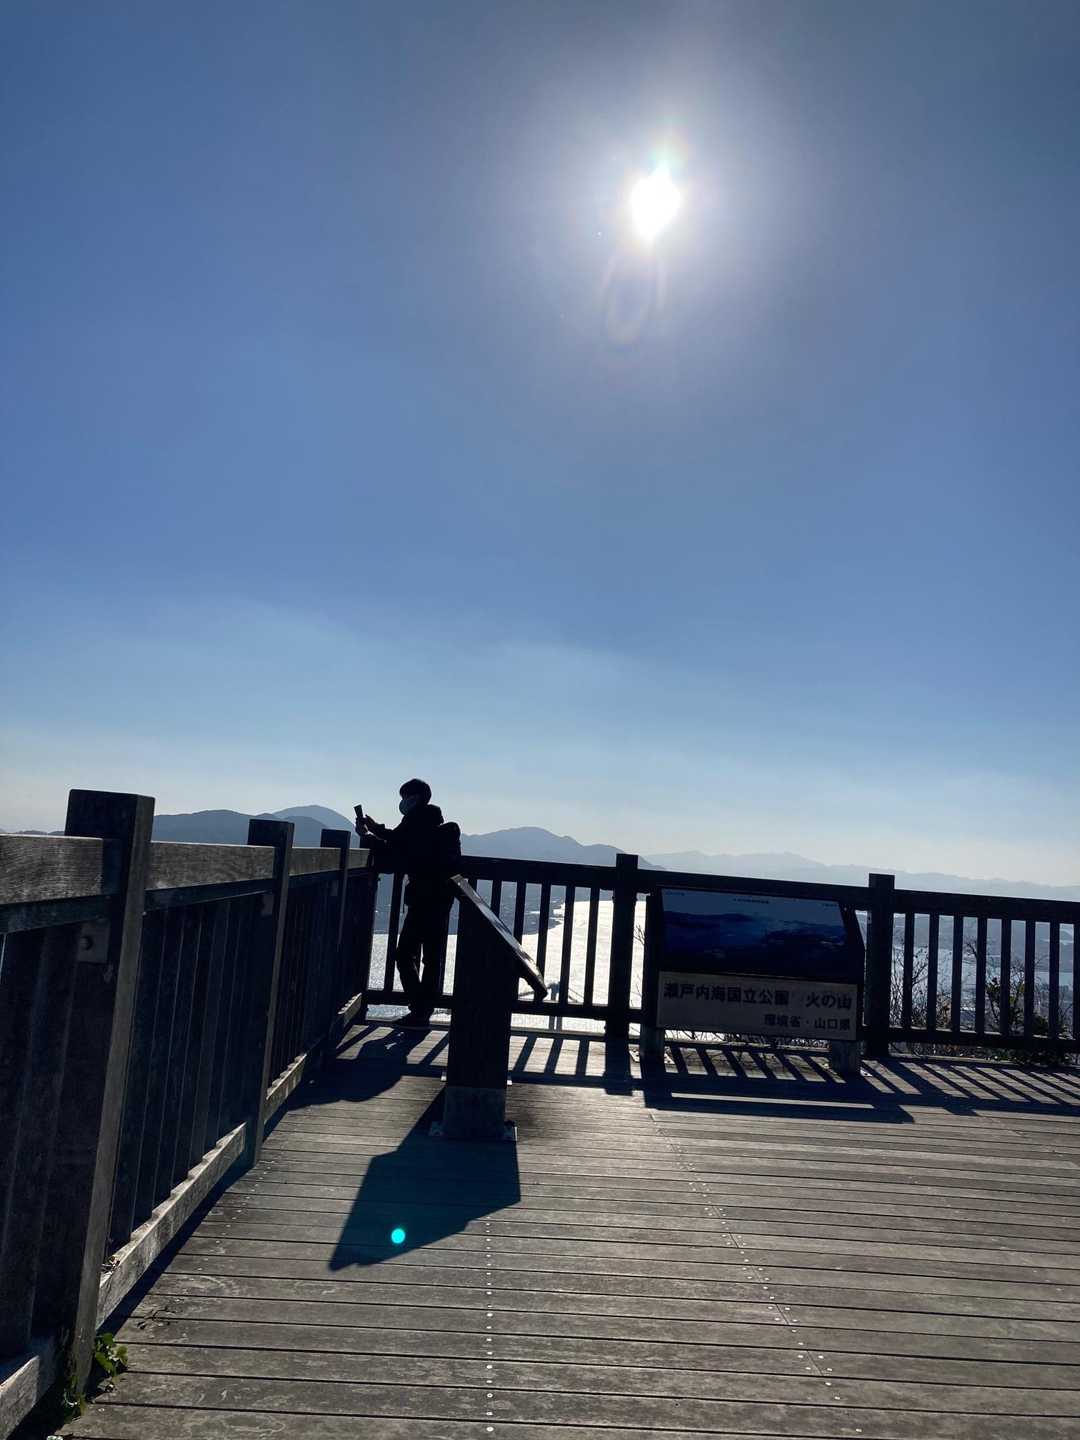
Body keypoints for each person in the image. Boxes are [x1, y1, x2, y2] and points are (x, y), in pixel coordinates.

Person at [355, 778, 460, 1028]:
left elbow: (396, 849)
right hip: (442, 899)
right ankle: (423, 1010)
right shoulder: (435, 824)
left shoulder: (415, 824)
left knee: (404, 955)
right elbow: (400, 840)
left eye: (405, 797)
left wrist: (367, 836)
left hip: (423, 899)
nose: (402, 803)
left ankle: (419, 1009)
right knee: (432, 958)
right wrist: (376, 829)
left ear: (415, 798)